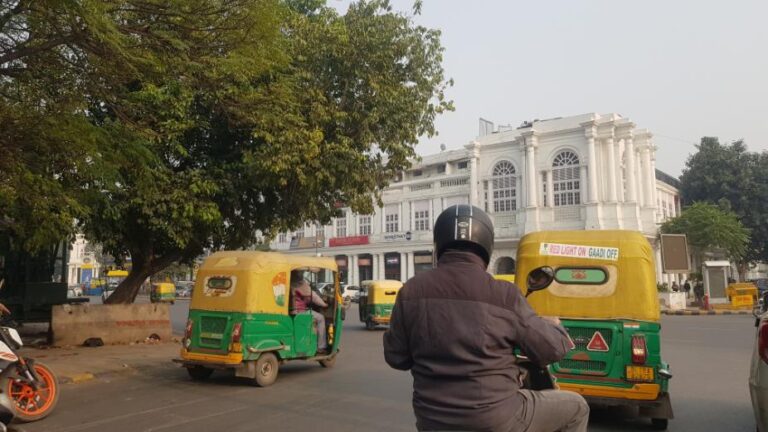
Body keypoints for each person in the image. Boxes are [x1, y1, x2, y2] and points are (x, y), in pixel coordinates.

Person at [383, 204, 589, 432]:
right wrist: (554, 326)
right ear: (487, 246)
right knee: (577, 408)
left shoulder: (411, 291)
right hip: (495, 419)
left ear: (438, 244)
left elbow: (396, 358)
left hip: (432, 421)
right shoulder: (504, 294)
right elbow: (551, 350)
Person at [291, 276, 328, 353]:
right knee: (321, 318)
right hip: (300, 311)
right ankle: (321, 346)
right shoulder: (299, 282)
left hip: (290, 311)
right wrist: (324, 304)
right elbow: (313, 296)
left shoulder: (287, 279)